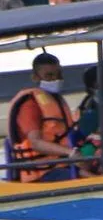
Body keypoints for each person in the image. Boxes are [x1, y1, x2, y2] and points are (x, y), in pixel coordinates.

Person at [6, 53, 79, 183]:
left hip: (62, 165)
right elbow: (35, 142)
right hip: (43, 173)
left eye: (59, 75)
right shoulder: (30, 103)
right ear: (35, 77)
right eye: (49, 76)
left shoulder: (57, 100)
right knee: (84, 175)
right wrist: (70, 152)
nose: (56, 79)